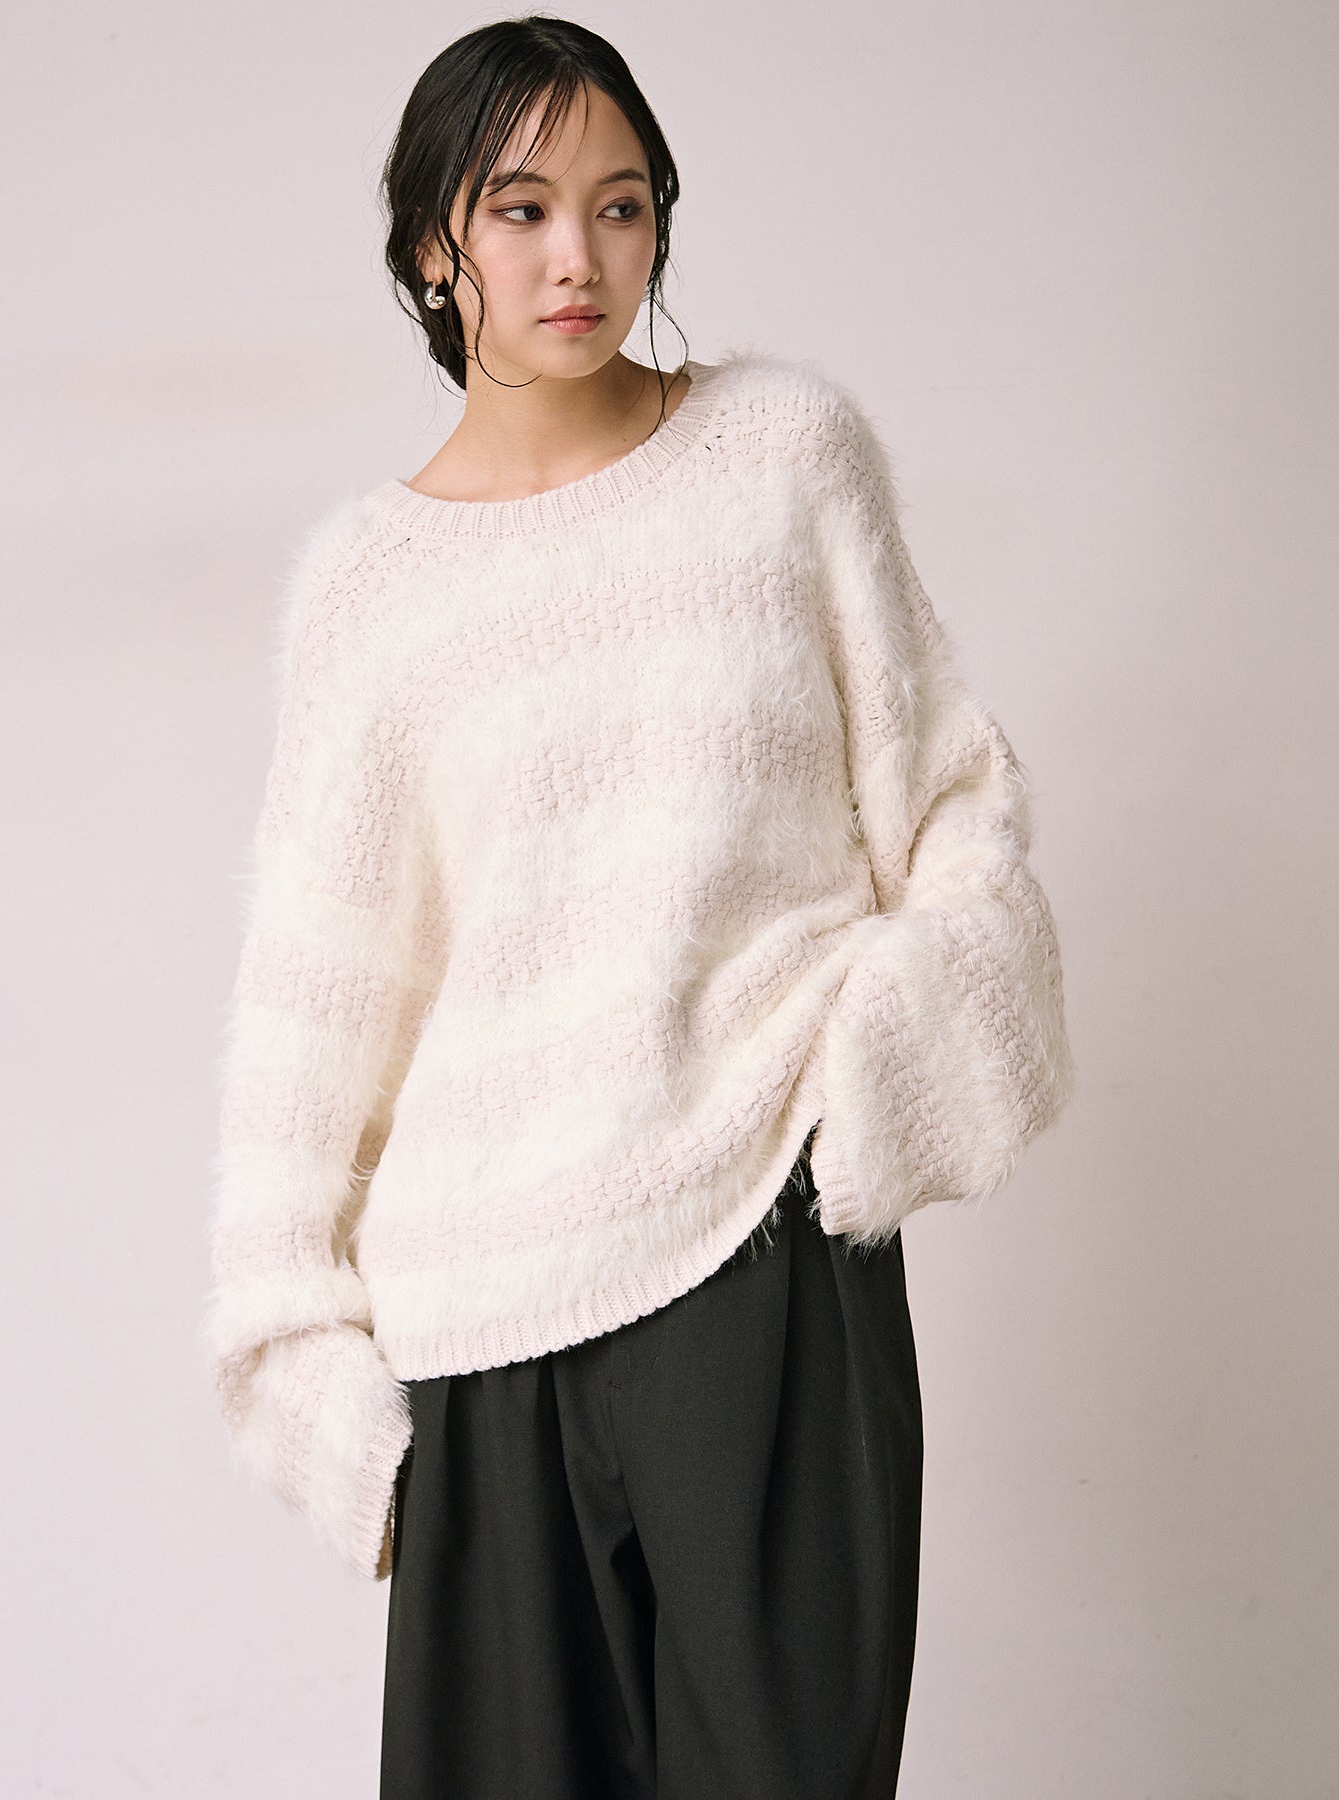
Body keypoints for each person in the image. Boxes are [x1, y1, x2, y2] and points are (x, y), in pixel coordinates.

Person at [200, 16, 1075, 1799]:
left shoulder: (785, 456)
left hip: (761, 1256)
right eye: (520, 210)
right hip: (480, 1325)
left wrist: (868, 1082)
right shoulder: (372, 590)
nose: (577, 259)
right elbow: (321, 992)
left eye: (619, 205)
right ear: (431, 245)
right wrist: (298, 1343)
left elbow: (953, 806)